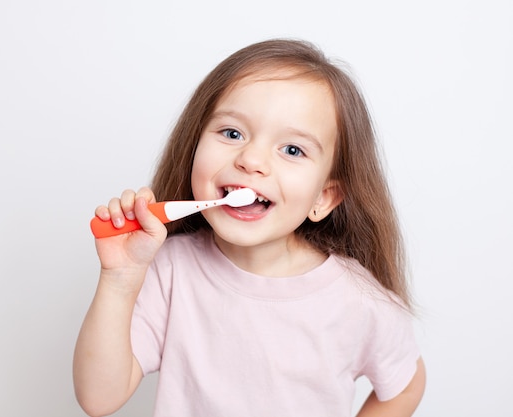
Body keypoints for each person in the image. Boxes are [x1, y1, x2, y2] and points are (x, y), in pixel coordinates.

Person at [73, 39, 426, 417]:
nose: (251, 160)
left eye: (292, 150)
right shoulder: (170, 270)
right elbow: (99, 399)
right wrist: (120, 279)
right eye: (232, 133)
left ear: (323, 197)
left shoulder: (357, 301)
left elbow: (405, 385)